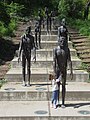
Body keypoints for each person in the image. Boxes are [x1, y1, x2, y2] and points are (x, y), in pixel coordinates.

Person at [53, 36, 73, 108]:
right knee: (57, 86)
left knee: (63, 86)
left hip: (64, 70)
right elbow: (54, 62)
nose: (62, 42)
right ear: (58, 41)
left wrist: (71, 70)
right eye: (61, 41)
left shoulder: (67, 50)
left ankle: (63, 102)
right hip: (58, 70)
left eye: (63, 41)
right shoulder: (55, 49)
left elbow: (69, 61)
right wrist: (54, 72)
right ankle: (57, 101)